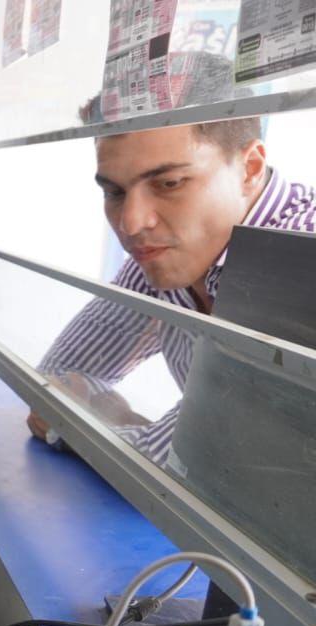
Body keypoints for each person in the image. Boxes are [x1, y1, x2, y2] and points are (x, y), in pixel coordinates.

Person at [28, 55, 315, 462]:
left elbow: (188, 465)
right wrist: (129, 434)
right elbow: (55, 381)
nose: (131, 222)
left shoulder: (300, 256)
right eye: (114, 192)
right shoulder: (172, 249)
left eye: (169, 183)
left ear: (249, 168)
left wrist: (107, 428)